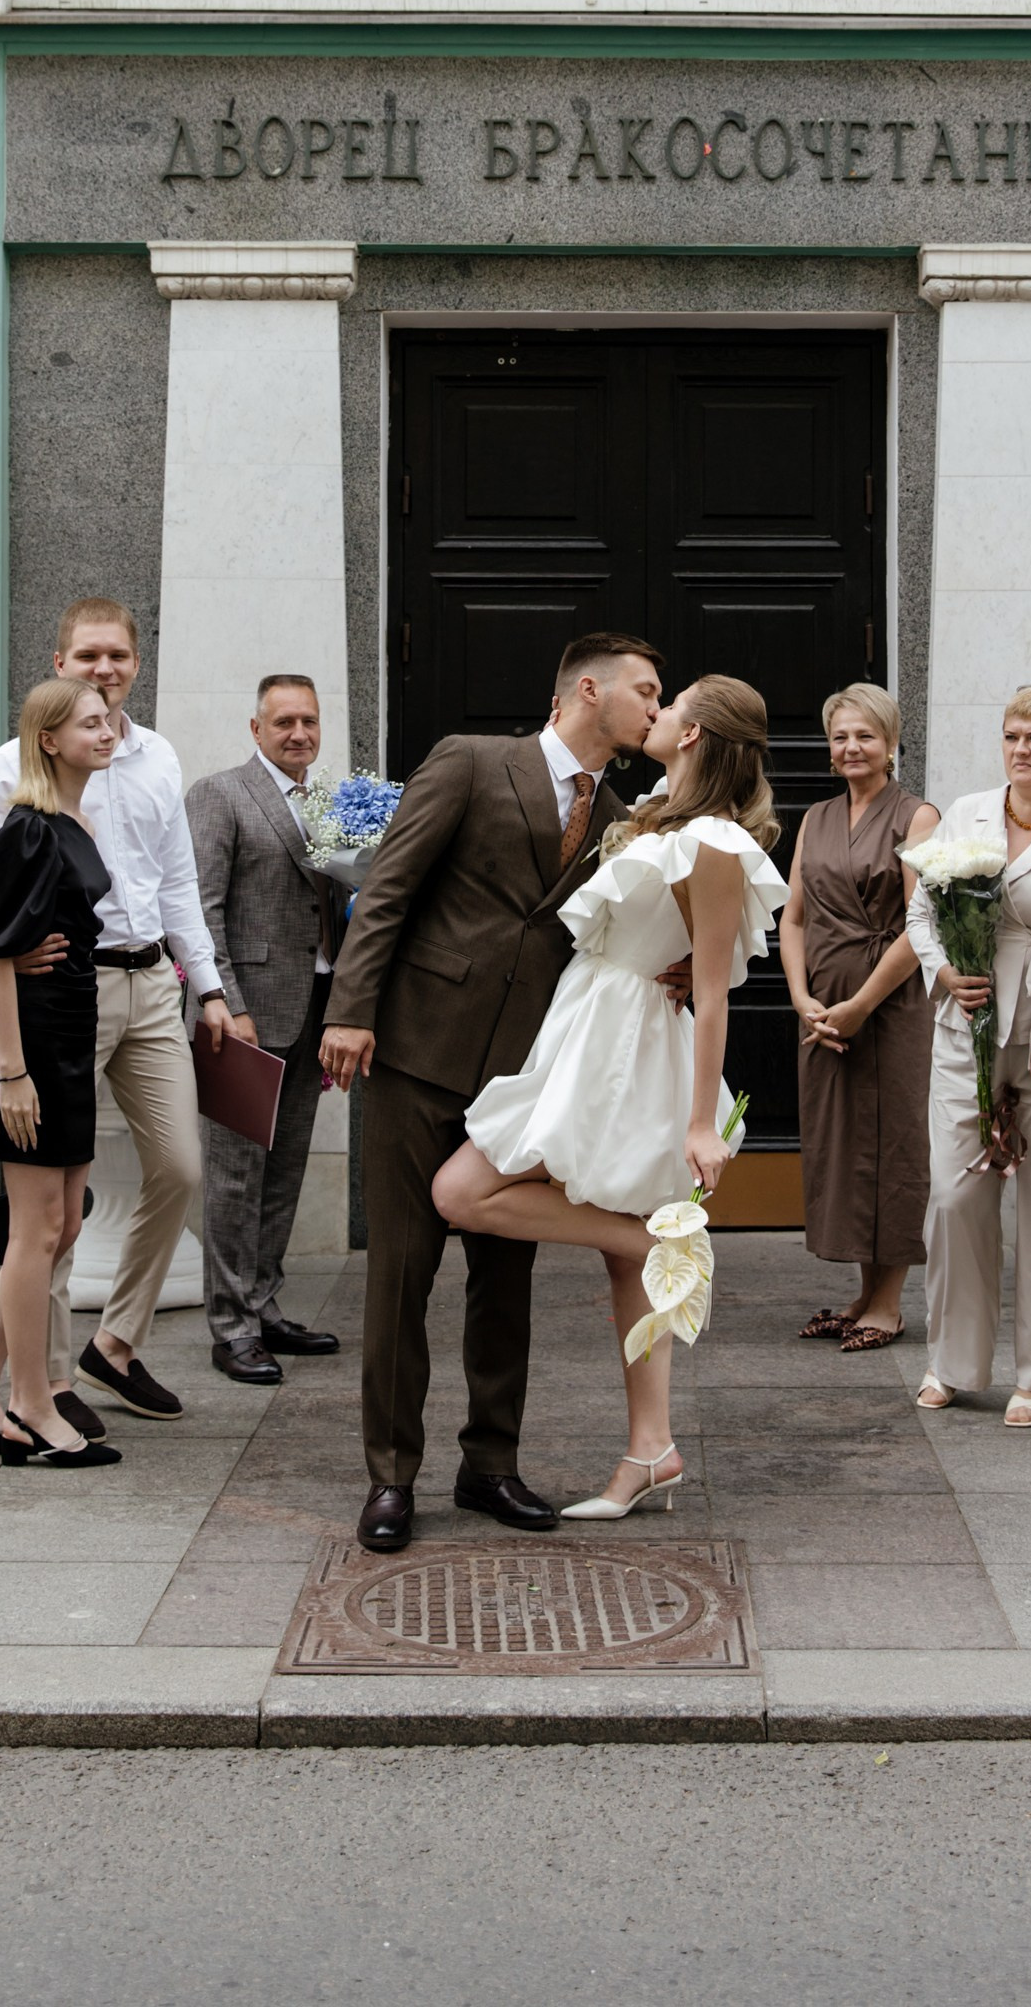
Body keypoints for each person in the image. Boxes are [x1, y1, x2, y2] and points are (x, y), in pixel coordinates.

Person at [319, 634, 661, 1553]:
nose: (655, 710)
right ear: (587, 690)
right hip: (417, 1053)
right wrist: (350, 1010)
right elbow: (388, 889)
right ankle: (392, 1476)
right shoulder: (471, 762)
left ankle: (490, 1464)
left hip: (524, 1078)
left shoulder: (621, 816)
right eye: (645, 691)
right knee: (400, 1274)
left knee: (506, 1281)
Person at [437, 676, 788, 1521]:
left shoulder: (713, 842)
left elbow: (714, 988)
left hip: (626, 1046)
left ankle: (653, 1243)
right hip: (587, 1026)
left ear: (694, 734)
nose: (655, 713)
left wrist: (701, 1122)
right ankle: (652, 1447)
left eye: (671, 704)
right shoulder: (660, 812)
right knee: (621, 1258)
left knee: (461, 1191)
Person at [0, 598, 237, 1425]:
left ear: (136, 664)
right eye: (88, 656)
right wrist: (5, 968)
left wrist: (210, 986)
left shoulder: (157, 758)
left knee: (180, 1169)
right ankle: (46, 1383)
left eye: (117, 655)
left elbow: (179, 880)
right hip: (65, 992)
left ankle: (113, 1346)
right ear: (59, 663)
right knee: (55, 1206)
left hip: (151, 983)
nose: (104, 669)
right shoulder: (11, 767)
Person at [0, 679, 123, 1467]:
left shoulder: (75, 821)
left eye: (108, 721)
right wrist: (12, 1074)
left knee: (65, 1224)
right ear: (49, 739)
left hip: (71, 1038)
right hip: (34, 1047)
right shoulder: (26, 828)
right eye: (89, 724)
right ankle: (30, 1402)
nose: (107, 732)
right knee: (37, 1229)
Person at [907, 686, 1031, 1429]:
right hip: (966, 1024)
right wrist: (944, 973)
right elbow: (922, 910)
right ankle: (952, 1361)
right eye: (1012, 736)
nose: (1020, 750)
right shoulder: (969, 812)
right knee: (955, 1199)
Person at [186, 673, 348, 1387]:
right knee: (234, 1177)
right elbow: (200, 909)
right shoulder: (220, 795)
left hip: (314, 1011)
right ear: (256, 729)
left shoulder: (330, 805)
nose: (298, 734)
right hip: (243, 1018)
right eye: (283, 722)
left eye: (308, 721)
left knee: (283, 1170)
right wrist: (224, 999)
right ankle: (231, 1328)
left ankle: (262, 1304)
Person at [778, 683, 939, 1354]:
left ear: (891, 742)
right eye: (841, 736)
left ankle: (889, 1304)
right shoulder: (815, 818)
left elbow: (920, 925)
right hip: (824, 1008)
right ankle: (863, 1295)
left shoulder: (917, 815)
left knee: (894, 1143)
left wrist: (861, 1005)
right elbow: (793, 917)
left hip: (889, 1003)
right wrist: (801, 997)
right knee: (843, 1144)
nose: (852, 747)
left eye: (865, 735)